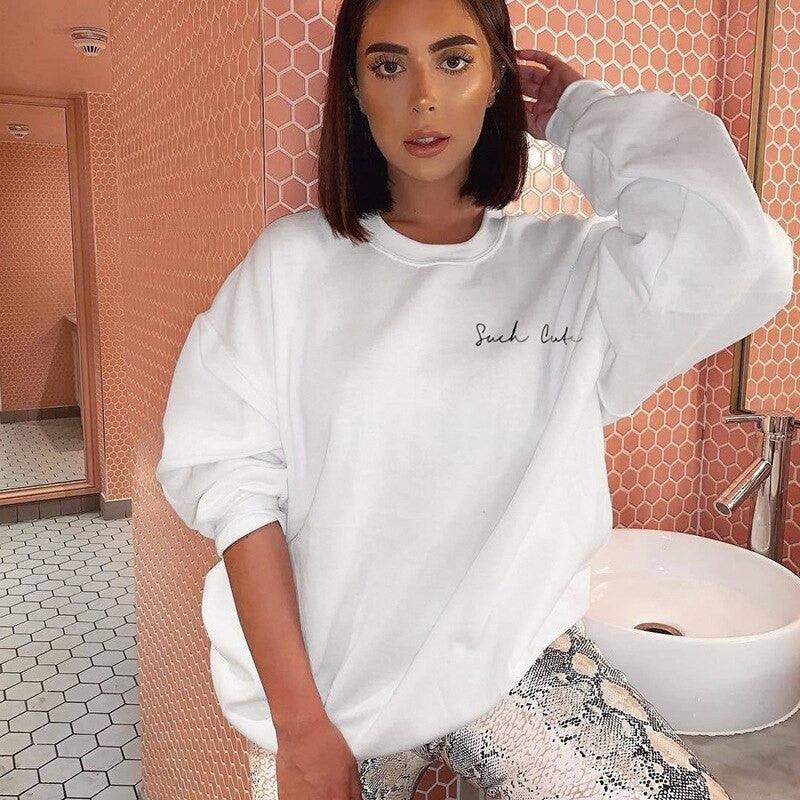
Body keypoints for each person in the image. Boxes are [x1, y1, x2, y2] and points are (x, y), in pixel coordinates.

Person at [155, 0, 794, 798]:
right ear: (355, 89)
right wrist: (301, 729)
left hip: (512, 658)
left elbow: (742, 253)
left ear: (497, 79)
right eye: (389, 65)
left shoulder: (573, 271)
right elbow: (235, 486)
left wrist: (580, 114)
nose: (423, 96)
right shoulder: (292, 267)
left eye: (454, 60)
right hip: (329, 683)